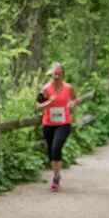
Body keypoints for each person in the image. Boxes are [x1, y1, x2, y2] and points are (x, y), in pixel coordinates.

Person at [37, 63, 81, 191]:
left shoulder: (68, 88)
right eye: (54, 73)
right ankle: (56, 174)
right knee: (51, 152)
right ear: (51, 74)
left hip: (64, 123)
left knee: (56, 147)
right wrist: (49, 102)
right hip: (48, 124)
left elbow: (75, 99)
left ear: (62, 74)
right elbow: (38, 106)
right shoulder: (45, 89)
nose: (56, 75)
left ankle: (56, 178)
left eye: (59, 73)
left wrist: (73, 103)